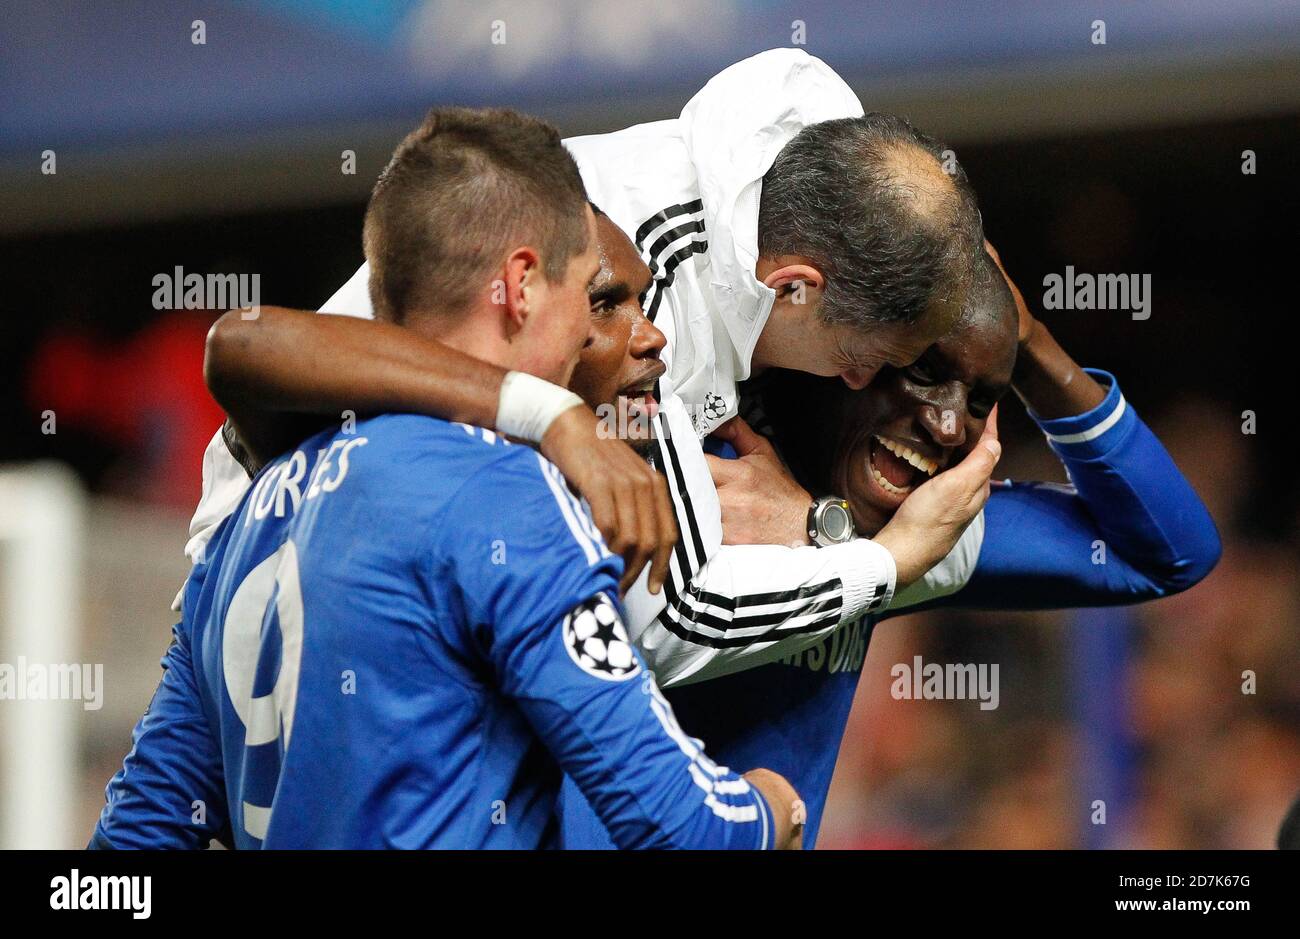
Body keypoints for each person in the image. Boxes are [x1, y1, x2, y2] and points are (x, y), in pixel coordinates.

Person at [92, 107, 802, 850]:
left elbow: (130, 846)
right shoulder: (504, 496)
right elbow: (679, 826)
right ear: (522, 285)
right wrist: (767, 808)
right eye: (586, 289)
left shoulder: (248, 521)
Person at [184, 51, 996, 684]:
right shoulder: (648, 300)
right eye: (861, 360)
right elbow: (669, 622)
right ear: (793, 288)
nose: (858, 385)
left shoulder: (801, 192)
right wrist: (879, 563)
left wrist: (832, 530)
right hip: (287, 589)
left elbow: (956, 543)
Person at [560, 247, 1222, 847]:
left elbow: (1169, 552)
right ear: (851, 352)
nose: (944, 420)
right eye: (925, 368)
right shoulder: (688, 472)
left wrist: (1031, 342)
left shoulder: (902, 536)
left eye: (982, 398)